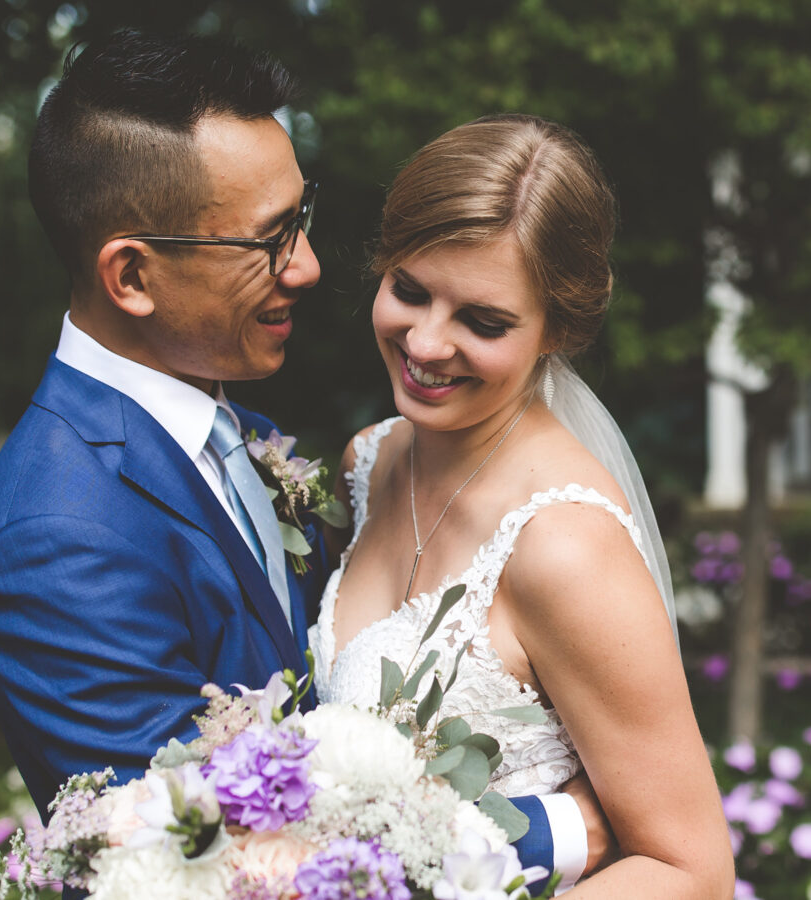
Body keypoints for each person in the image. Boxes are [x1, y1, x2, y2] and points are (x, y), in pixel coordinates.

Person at [0, 30, 604, 885]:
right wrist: (558, 828)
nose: (306, 267)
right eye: (268, 240)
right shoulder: (57, 536)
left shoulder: (251, 440)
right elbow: (206, 863)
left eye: (301, 218)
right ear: (132, 277)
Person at [314, 114, 735, 897]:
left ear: (556, 329)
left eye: (484, 321)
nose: (428, 343)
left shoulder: (562, 545)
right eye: (409, 290)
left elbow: (692, 870)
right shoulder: (371, 462)